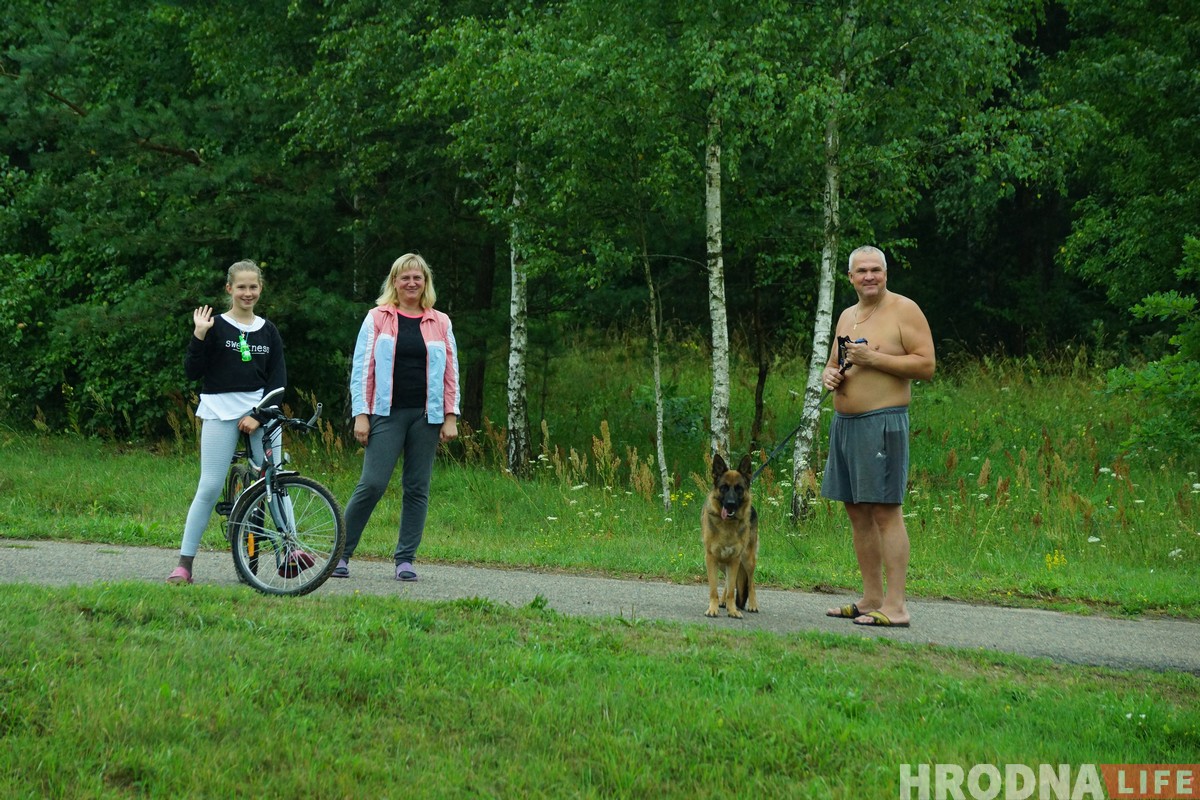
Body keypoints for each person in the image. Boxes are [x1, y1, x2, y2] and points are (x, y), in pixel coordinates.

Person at [821, 245, 935, 627]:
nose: (869, 276)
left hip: (882, 423)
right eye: (862, 271)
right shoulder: (847, 316)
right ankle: (871, 598)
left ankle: (897, 606)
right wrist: (829, 375)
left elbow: (926, 365)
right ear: (850, 278)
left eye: (876, 270)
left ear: (886, 274)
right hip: (846, 425)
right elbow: (835, 363)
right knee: (857, 511)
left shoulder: (905, 310)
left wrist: (875, 360)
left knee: (885, 512)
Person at [335, 253, 459, 581]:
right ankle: (341, 554)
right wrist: (360, 415)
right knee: (372, 483)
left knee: (417, 487)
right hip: (385, 413)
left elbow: (450, 373)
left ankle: (405, 559)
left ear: (425, 283)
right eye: (405, 278)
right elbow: (362, 369)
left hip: (426, 417)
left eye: (417, 278)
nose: (411, 283)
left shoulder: (440, 322)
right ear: (394, 282)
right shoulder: (377, 318)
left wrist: (450, 416)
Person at [168, 260, 286, 584]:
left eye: (253, 287)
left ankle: (290, 551)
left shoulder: (268, 330)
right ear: (229, 289)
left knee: (275, 481)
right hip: (219, 410)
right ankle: (184, 564)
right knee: (208, 486)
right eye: (241, 287)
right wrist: (199, 335)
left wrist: (259, 415)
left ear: (260, 289)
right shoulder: (215, 326)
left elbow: (278, 382)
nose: (248, 293)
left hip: (260, 411)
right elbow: (192, 372)